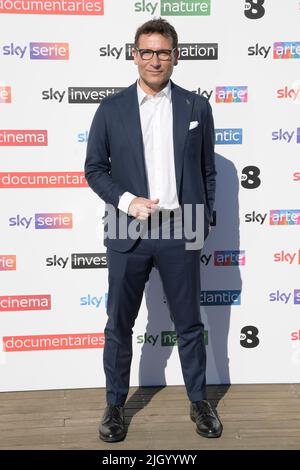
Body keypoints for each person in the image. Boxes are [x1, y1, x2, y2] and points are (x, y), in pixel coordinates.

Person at [84, 18, 222, 442]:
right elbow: (94, 169)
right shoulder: (110, 110)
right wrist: (127, 201)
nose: (155, 59)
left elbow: (207, 171)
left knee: (189, 325)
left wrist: (204, 217)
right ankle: (114, 405)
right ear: (134, 55)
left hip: (183, 227)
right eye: (147, 51)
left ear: (175, 55)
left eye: (163, 51)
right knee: (118, 324)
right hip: (128, 228)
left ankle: (200, 401)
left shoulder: (196, 107)